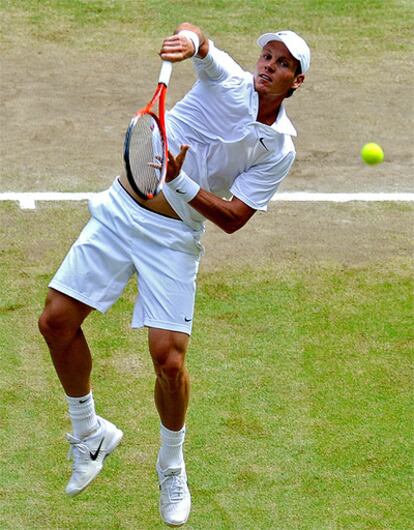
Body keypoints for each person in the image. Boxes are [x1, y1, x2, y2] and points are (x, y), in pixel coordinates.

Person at [38, 22, 310, 527]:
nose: (268, 65)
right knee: (55, 321)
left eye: (282, 64)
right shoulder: (225, 80)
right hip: (123, 208)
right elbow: (199, 41)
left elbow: (233, 218)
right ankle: (90, 432)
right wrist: (188, 42)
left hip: (174, 237)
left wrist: (180, 181)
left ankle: (171, 464)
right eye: (267, 56)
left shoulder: (278, 149)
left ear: (296, 82)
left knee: (168, 360)